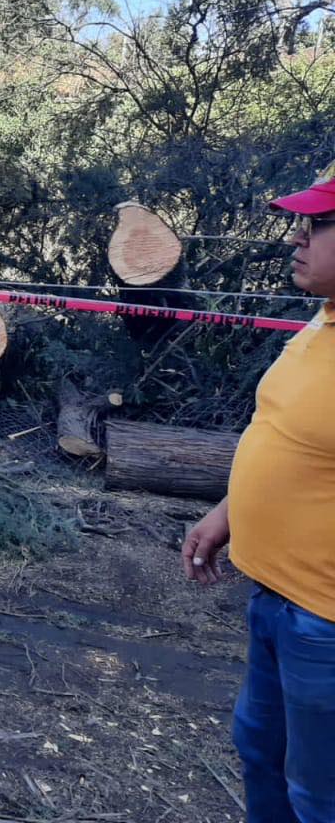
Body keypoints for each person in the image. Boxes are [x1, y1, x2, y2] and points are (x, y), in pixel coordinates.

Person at [182, 162, 335, 822]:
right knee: (260, 751)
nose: (297, 236)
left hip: (324, 621)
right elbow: (283, 432)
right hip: (276, 601)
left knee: (319, 794)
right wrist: (227, 514)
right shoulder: (324, 321)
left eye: (319, 223)